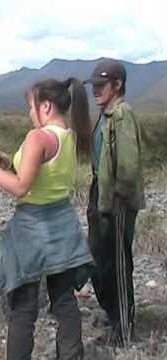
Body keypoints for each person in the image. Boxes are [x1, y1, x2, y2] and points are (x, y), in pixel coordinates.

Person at [0, 78, 94, 360]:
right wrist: (10, 166)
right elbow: (42, 176)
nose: (29, 113)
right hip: (63, 224)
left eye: (30, 106)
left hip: (33, 230)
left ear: (45, 106)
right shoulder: (69, 136)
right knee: (64, 301)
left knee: (23, 309)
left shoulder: (38, 137)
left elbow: (22, 187)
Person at [84, 60, 145, 347]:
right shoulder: (105, 114)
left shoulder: (122, 115)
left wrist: (116, 198)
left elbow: (129, 166)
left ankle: (123, 329)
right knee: (97, 259)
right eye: (94, 85)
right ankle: (112, 313)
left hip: (117, 199)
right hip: (101, 192)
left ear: (117, 85)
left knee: (118, 264)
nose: (96, 90)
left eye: (101, 85)